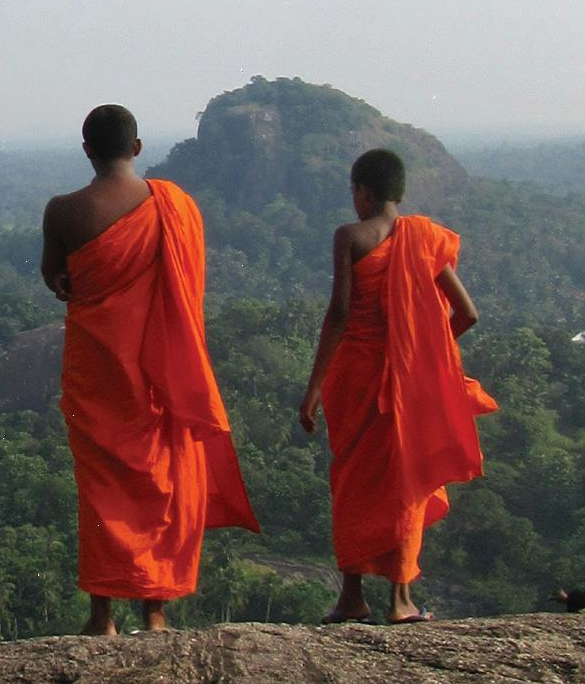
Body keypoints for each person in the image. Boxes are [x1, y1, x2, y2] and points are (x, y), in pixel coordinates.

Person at [43, 104, 258, 635]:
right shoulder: (174, 207)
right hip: (161, 374)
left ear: (87, 150)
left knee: (102, 491)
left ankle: (102, 616)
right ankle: (155, 613)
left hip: (99, 376)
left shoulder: (64, 211)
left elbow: (55, 277)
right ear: (137, 148)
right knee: (162, 483)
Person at [299, 148, 497, 624]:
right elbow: (467, 313)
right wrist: (422, 354)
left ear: (362, 193)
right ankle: (400, 600)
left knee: (351, 482)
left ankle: (351, 596)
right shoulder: (424, 240)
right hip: (410, 387)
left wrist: (313, 386)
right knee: (406, 484)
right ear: (399, 193)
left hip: (355, 379)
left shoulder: (350, 236)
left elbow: (339, 313)